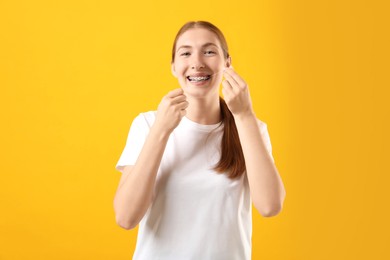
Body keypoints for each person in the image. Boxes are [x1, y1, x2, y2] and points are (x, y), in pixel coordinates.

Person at [113, 20, 286, 260]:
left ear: (227, 63)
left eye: (209, 51)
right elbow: (125, 217)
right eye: (186, 53)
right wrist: (161, 131)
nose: (197, 63)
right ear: (174, 66)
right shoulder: (147, 125)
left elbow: (270, 206)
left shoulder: (250, 127)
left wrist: (244, 115)